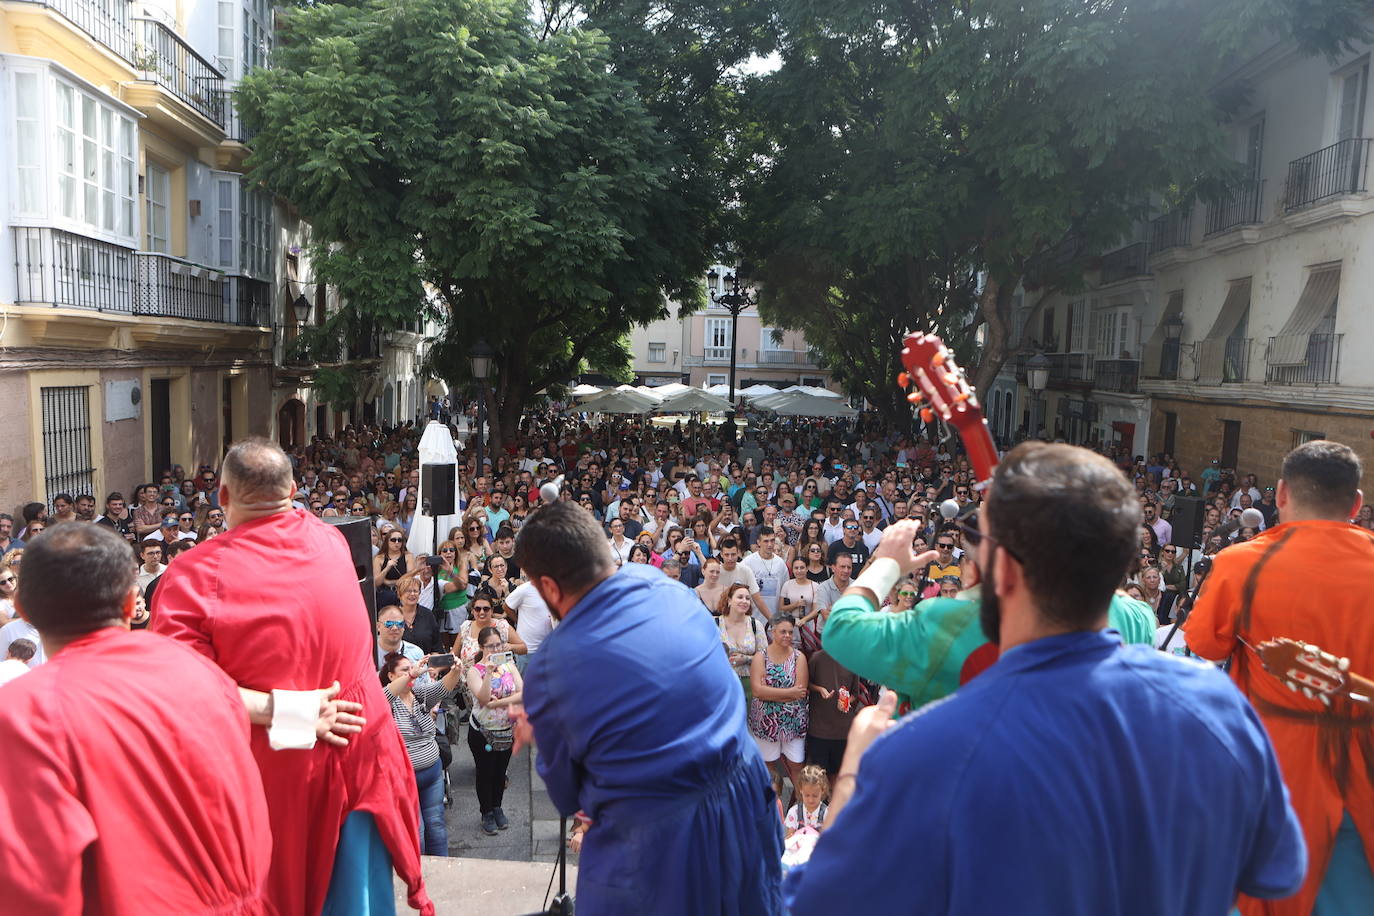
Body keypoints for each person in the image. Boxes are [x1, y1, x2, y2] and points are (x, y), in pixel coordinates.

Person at [785, 444, 1305, 914]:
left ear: (1005, 573)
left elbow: (820, 902)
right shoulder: (1218, 708)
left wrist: (855, 772)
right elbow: (1276, 870)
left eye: (978, 547)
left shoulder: (922, 753)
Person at [150, 438, 433, 916]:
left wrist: (290, 711)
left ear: (222, 497)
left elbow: (179, 693)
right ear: (296, 491)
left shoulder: (194, 575)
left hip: (281, 779)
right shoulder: (330, 541)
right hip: (359, 749)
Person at [518, 502, 783, 915]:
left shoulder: (553, 666)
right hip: (744, 799)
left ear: (549, 588)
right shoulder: (662, 585)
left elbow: (568, 795)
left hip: (654, 841)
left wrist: (542, 726)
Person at [0, 523, 275, 913]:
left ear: (24, 610)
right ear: (131, 603)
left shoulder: (22, 714)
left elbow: (30, 887)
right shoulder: (198, 670)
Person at [1185, 440, 1374, 916]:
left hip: (1277, 760)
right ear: (1356, 503)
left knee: (1266, 894)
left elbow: (1205, 644)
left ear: (1282, 493)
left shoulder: (1241, 563)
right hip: (1367, 760)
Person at [380, 652, 463, 856]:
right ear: (391, 676)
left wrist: (456, 670)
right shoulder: (386, 700)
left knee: (436, 825)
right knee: (417, 831)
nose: (412, 673)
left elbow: (444, 686)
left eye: (412, 668)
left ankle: (441, 872)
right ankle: (418, 878)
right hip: (403, 776)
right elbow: (384, 695)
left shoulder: (419, 694)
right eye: (405, 670)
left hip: (432, 771)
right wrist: (411, 676)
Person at [465, 625, 524, 836]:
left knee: (501, 772)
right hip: (483, 731)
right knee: (485, 772)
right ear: (482, 647)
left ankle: (497, 806)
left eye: (498, 644)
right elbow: (482, 698)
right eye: (490, 646)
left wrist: (499, 703)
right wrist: (488, 673)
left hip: (506, 729)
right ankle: (486, 812)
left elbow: (522, 692)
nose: (495, 649)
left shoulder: (509, 664)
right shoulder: (475, 671)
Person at [749, 613, 810, 792]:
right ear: (773, 632)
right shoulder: (761, 657)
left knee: (797, 765)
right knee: (768, 767)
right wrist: (788, 692)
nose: (787, 636)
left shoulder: (799, 657)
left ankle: (802, 808)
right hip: (766, 723)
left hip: (793, 723)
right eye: (783, 632)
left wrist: (771, 693)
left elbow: (800, 692)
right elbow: (758, 691)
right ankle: (772, 806)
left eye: (790, 632)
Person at [717, 583, 767, 698]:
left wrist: (746, 659)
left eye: (748, 598)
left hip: (750, 684)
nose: (744, 601)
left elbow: (765, 658)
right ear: (729, 600)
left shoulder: (756, 625)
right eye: (740, 597)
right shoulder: (714, 624)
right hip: (720, 682)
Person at [784, 765, 829, 839]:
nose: (811, 800)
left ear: (822, 790)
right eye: (807, 795)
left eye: (815, 796)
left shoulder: (826, 813)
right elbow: (789, 838)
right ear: (801, 790)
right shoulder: (794, 812)